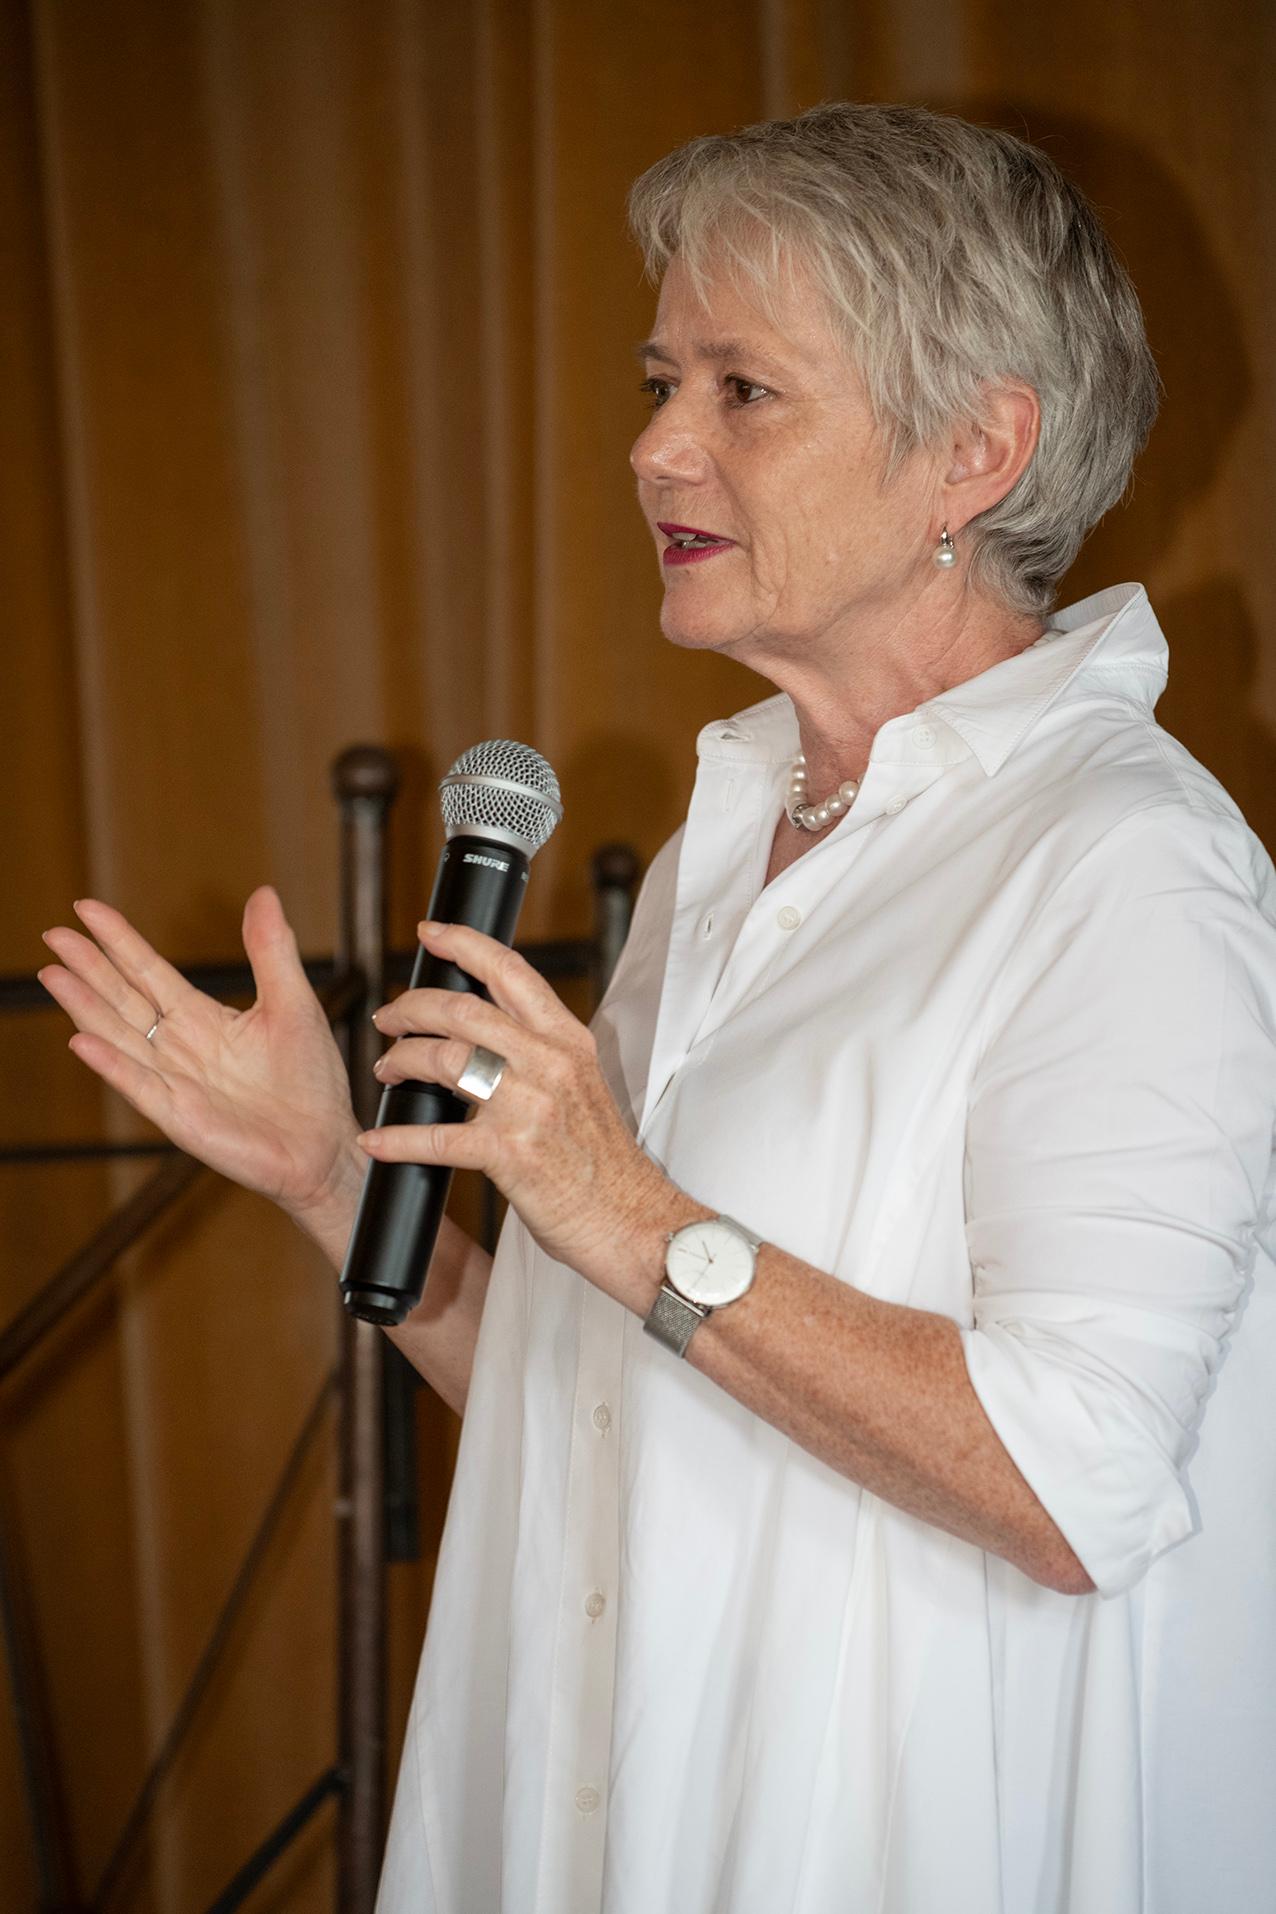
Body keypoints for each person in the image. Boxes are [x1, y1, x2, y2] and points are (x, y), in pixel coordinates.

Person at [40, 103, 1276, 1914]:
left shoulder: (1126, 863)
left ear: (977, 450)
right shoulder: (738, 837)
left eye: (740, 391)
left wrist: (618, 1205)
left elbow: (1074, 1477)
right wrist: (330, 1177)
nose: (652, 447)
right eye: (657, 381)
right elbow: (606, 1404)